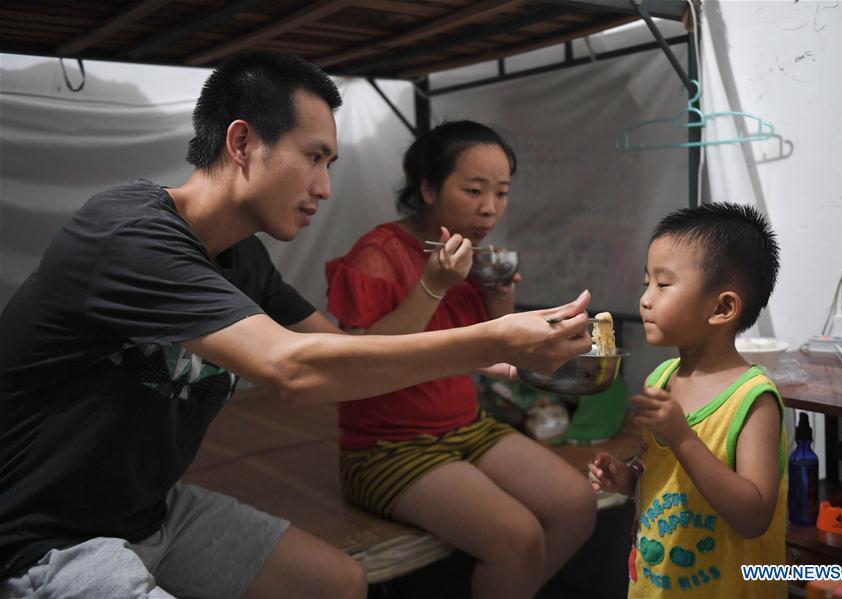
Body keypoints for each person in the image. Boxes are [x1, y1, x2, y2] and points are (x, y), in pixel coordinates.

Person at [0, 51, 594, 599]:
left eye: (331, 163)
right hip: (41, 532)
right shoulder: (130, 234)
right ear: (242, 142)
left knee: (339, 583)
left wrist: (480, 333)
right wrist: (488, 338)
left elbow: (341, 353)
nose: (326, 187)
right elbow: (290, 369)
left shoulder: (246, 260)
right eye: (314, 157)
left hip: (150, 509)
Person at [324, 121, 598, 598]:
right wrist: (434, 284)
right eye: (473, 189)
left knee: (578, 504)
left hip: (466, 427)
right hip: (386, 447)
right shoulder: (378, 254)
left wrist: (498, 298)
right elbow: (360, 364)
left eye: (501, 192)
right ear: (428, 188)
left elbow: (493, 352)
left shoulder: (472, 258)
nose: (490, 208)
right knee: (518, 537)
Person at [589, 203, 785, 598]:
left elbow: (753, 517)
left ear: (723, 307)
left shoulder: (753, 400)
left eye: (663, 285)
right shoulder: (660, 380)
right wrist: (627, 481)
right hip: (655, 585)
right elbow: (662, 481)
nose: (645, 299)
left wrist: (682, 437)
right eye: (647, 282)